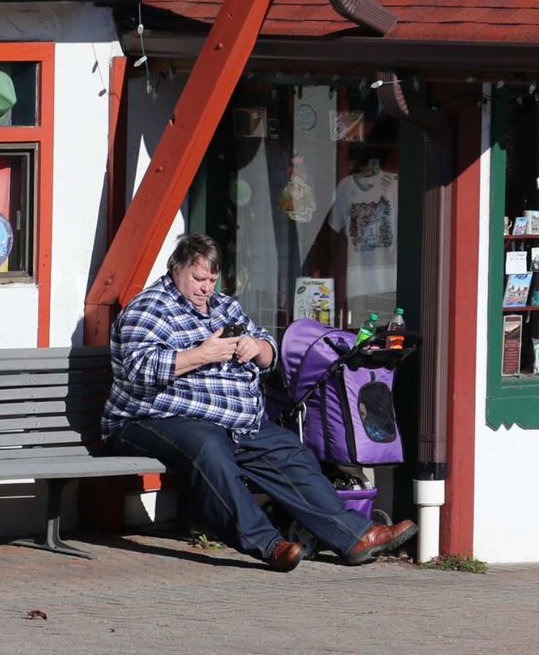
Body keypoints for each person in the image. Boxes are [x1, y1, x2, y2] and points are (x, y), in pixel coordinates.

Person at [105, 234, 417, 571]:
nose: (206, 288)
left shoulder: (225, 306)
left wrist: (257, 349)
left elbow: (269, 351)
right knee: (209, 447)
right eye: (198, 278)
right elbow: (139, 370)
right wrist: (201, 354)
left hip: (233, 421)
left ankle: (354, 536)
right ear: (176, 268)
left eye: (212, 279)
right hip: (150, 418)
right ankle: (267, 544)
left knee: (289, 450)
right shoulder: (149, 308)